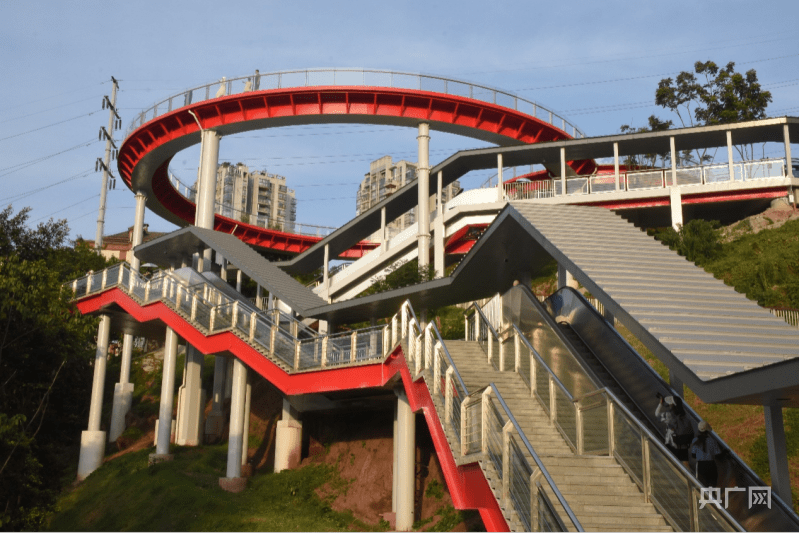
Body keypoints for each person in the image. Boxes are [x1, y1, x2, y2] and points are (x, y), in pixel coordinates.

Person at [656, 394, 693, 467]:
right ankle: (688, 478)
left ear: (672, 405)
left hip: (672, 443)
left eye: (670, 403)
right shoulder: (684, 415)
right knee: (685, 464)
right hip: (684, 444)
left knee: (671, 464)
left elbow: (657, 414)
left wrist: (660, 404)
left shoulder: (668, 415)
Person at [691, 420, 721, 487]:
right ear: (707, 431)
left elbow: (693, 455)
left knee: (701, 486)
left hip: (701, 465)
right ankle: (712, 497)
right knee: (712, 486)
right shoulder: (712, 441)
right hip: (711, 465)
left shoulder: (695, 441)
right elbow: (718, 455)